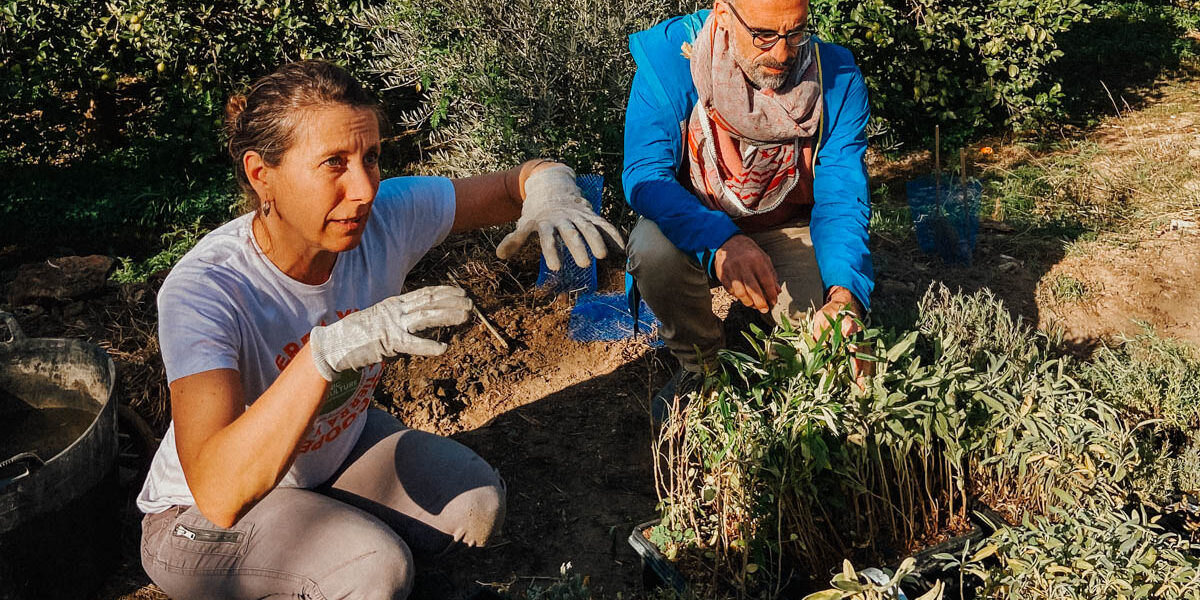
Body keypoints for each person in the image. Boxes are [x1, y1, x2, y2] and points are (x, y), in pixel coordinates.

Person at [136, 60, 623, 599]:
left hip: (328, 457)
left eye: (370, 157)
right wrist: (328, 352)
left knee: (475, 504)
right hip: (199, 520)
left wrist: (550, 187)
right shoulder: (207, 290)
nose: (365, 187)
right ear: (260, 174)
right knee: (373, 569)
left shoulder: (385, 216)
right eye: (333, 163)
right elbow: (219, 490)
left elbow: (515, 183)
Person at [622, 0, 874, 404]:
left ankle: (778, 370)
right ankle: (700, 366)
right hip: (695, 223)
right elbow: (645, 177)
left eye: (796, 33)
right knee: (653, 251)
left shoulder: (835, 77)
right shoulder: (672, 63)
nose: (782, 54)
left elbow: (842, 196)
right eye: (764, 35)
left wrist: (843, 295)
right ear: (723, 14)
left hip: (787, 228)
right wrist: (721, 240)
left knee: (825, 353)